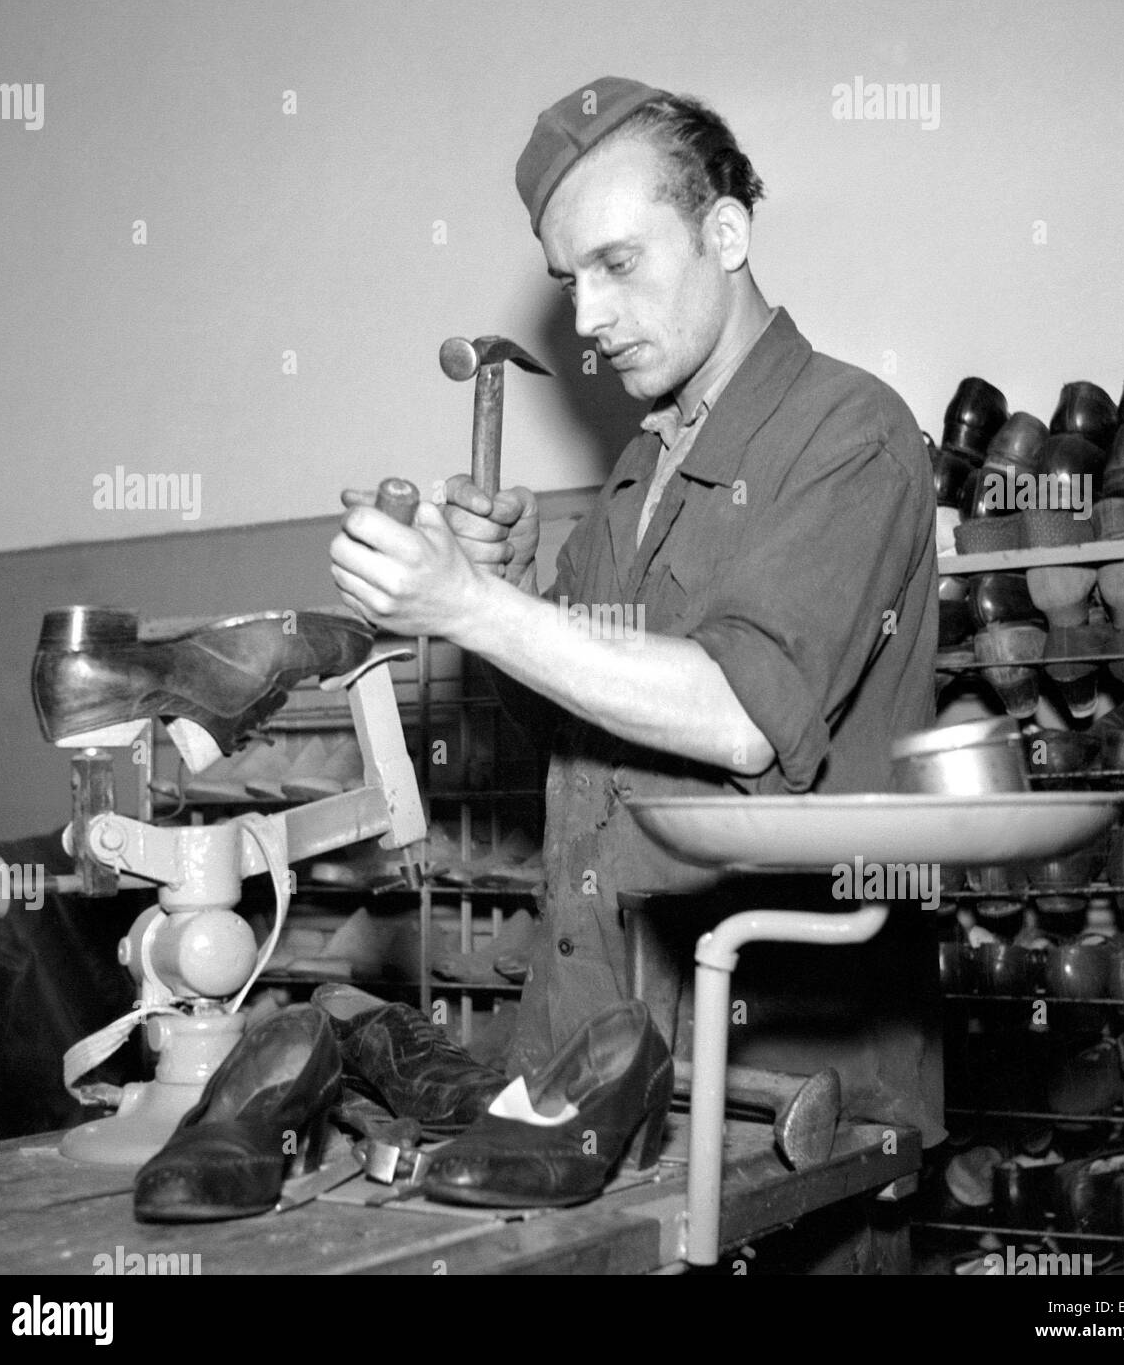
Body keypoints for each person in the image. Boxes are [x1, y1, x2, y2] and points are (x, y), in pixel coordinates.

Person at [332, 76, 943, 1146]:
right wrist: (510, 592)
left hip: (785, 1092)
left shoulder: (852, 435)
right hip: (592, 1055)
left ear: (726, 230)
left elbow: (741, 714)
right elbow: (570, 739)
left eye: (618, 264)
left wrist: (474, 607)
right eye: (570, 281)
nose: (587, 319)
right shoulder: (641, 471)